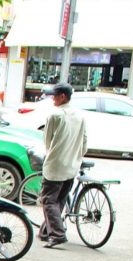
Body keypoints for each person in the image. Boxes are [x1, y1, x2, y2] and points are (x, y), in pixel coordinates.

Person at [39, 82, 88, 248]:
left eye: (54, 95)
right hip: (72, 165)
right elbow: (85, 142)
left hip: (56, 165)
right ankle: (46, 231)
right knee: (59, 200)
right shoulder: (80, 116)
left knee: (48, 200)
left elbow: (47, 141)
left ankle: (57, 234)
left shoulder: (56, 115)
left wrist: (49, 155)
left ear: (63, 97)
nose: (52, 99)